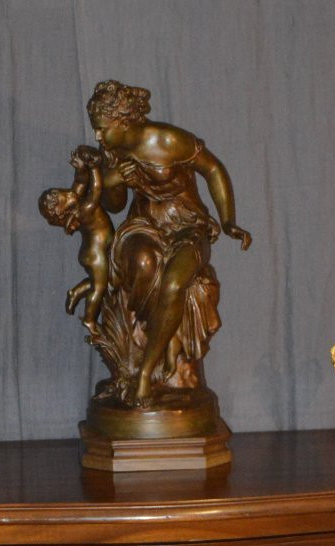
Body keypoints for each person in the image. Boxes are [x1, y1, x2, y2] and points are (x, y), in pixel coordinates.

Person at [86, 80, 251, 404]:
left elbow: (213, 169)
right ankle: (153, 351)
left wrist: (228, 220)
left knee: (175, 283)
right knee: (142, 263)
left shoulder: (166, 139)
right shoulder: (112, 153)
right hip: (143, 225)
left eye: (103, 129)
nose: (98, 137)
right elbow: (116, 204)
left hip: (187, 226)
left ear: (122, 122)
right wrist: (119, 178)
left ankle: (146, 373)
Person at [38, 145, 113, 335]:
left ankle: (76, 292)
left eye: (62, 191)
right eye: (64, 196)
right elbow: (96, 190)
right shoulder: (83, 211)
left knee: (108, 280)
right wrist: (95, 168)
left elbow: (80, 182)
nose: (69, 193)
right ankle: (89, 319)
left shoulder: (75, 199)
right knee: (100, 286)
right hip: (95, 253)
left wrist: (80, 168)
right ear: (62, 210)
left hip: (97, 250)